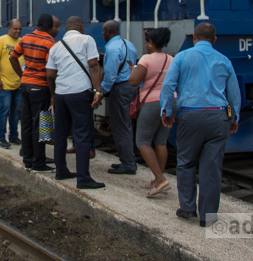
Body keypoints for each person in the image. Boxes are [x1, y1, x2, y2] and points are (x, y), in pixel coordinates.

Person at [159, 22, 241, 227]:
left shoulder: (182, 57)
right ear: (214, 40)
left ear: (194, 37)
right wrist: (234, 117)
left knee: (186, 162)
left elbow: (168, 86)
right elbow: (234, 94)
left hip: (190, 116)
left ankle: (187, 208)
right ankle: (208, 216)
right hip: (217, 117)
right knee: (212, 167)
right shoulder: (224, 61)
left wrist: (167, 111)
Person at [46, 16, 104, 189]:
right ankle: (83, 178)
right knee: (82, 134)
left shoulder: (56, 46)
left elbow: (50, 74)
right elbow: (93, 65)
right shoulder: (87, 40)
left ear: (65, 28)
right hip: (80, 93)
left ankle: (61, 170)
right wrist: (98, 91)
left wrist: (53, 95)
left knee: (60, 133)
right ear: (81, 27)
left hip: (61, 94)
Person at [10, 14, 60, 173]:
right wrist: (53, 95)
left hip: (25, 85)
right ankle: (39, 163)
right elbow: (51, 72)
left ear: (37, 24)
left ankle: (28, 160)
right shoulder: (51, 43)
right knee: (42, 124)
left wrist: (22, 76)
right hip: (41, 88)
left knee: (26, 123)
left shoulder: (25, 38)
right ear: (51, 27)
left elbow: (13, 58)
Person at [128, 27, 174, 197]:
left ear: (152, 43)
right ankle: (157, 180)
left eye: (147, 42)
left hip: (152, 102)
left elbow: (133, 81)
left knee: (142, 141)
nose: (145, 46)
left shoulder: (146, 58)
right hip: (170, 101)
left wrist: (134, 69)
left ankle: (161, 179)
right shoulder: (171, 59)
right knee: (161, 141)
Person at [100, 20, 138, 175]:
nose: (102, 34)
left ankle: (128, 163)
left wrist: (100, 92)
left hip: (120, 89)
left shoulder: (112, 48)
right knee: (126, 125)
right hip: (131, 86)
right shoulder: (130, 44)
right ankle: (126, 159)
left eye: (103, 31)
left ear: (108, 31)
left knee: (121, 126)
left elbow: (110, 75)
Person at [0, 19, 23, 149]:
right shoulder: (0, 41)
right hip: (4, 84)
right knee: (3, 111)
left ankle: (14, 136)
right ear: (9, 28)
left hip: (18, 84)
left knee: (15, 112)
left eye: (20, 29)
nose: (18, 31)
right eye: (15, 29)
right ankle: (0, 136)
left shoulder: (21, 41)